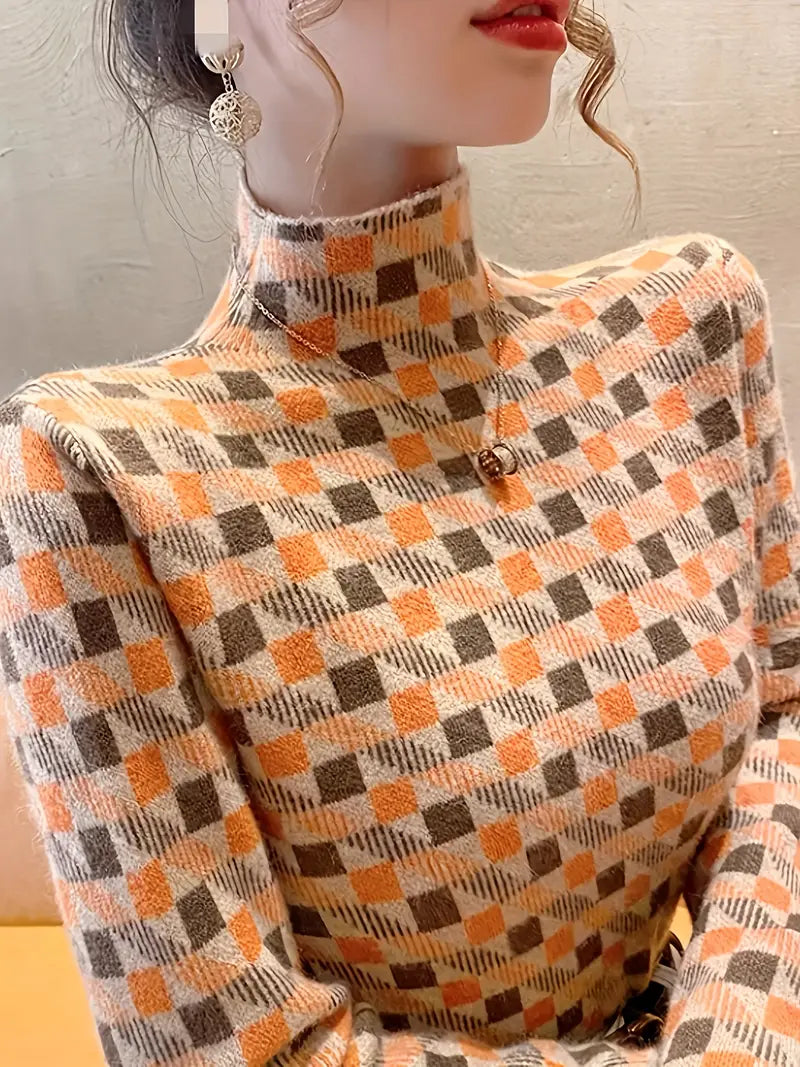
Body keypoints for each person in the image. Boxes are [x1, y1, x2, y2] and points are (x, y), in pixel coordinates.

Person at [1, 1, 797, 1064]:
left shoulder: (687, 329)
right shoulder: (103, 472)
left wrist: (736, 1032)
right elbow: (233, 1049)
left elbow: (783, 723)